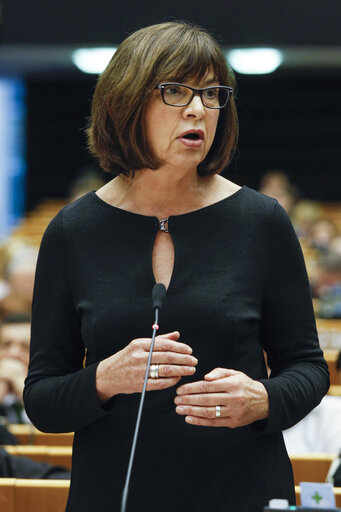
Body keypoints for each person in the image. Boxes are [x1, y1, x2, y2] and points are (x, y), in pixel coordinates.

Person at [23, 21, 329, 512]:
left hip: (241, 489)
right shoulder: (71, 231)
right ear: (126, 102)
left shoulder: (262, 221)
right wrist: (104, 377)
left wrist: (264, 400)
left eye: (212, 94)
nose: (198, 109)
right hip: (115, 493)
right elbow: (42, 399)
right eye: (175, 91)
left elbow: (309, 370)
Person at [0, 313, 31, 424]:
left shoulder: (53, 391)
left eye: (25, 346)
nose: (13, 353)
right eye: (6, 344)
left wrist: (28, 393)